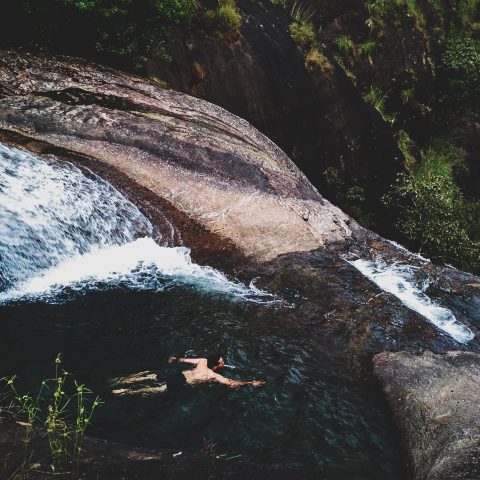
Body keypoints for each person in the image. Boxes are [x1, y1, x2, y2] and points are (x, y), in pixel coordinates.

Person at [111, 354, 265, 396]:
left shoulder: (202, 360)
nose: (223, 363)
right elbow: (231, 383)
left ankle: (120, 381)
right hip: (182, 382)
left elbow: (184, 359)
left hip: (179, 372)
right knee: (155, 389)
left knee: (150, 376)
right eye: (221, 362)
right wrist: (251, 383)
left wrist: (175, 359)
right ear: (216, 366)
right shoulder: (212, 375)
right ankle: (123, 392)